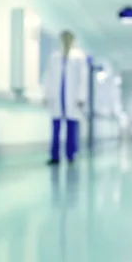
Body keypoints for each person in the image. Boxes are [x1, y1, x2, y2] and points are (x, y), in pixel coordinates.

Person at [42, 30, 89, 165]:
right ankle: (54, 156)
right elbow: (48, 77)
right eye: (63, 38)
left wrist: (81, 97)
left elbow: (83, 79)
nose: (66, 41)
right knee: (55, 128)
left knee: (71, 127)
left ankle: (71, 155)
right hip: (57, 97)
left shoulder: (79, 57)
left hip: (72, 98)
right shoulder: (54, 57)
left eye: (68, 38)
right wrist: (46, 94)